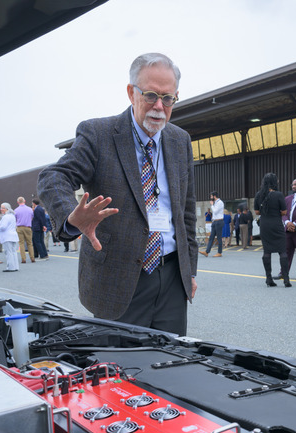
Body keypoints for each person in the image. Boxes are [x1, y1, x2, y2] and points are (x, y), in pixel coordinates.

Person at [38, 52, 198, 336]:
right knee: (119, 370)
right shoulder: (99, 134)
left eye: (168, 98)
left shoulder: (180, 140)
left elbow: (186, 213)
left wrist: (191, 270)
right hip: (118, 277)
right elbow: (54, 176)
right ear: (130, 92)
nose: (159, 107)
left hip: (172, 276)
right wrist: (72, 218)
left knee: (170, 365)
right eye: (150, 95)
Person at [254, 173, 290, 287]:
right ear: (274, 182)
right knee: (282, 251)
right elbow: (284, 212)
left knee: (267, 252)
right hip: (276, 224)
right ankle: (286, 279)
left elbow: (257, 212)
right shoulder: (279, 195)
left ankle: (269, 278)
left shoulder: (259, 195)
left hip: (265, 225)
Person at [277, 178, 296, 281]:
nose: (293, 186)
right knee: (286, 252)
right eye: (292, 185)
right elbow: (283, 213)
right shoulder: (287, 199)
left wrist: (294, 223)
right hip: (288, 230)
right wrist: (287, 223)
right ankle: (283, 272)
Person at [0, 202, 19, 272]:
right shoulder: (12, 216)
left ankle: (10, 267)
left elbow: (3, 227)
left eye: (2, 208)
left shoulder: (6, 217)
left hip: (7, 236)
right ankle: (15, 266)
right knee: (13, 252)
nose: (1, 209)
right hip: (13, 236)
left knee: (8, 252)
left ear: (6, 209)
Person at [200, 191, 224, 257]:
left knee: (219, 237)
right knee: (211, 237)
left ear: (214, 196)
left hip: (219, 221)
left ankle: (219, 252)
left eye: (211, 196)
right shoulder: (215, 203)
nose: (210, 198)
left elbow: (215, 211)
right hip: (214, 222)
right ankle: (207, 252)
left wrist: (211, 205)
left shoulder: (220, 203)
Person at [14, 196, 34, 263]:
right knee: (29, 243)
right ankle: (32, 258)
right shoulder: (29, 209)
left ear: (18, 202)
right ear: (24, 201)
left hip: (19, 227)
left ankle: (23, 258)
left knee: (21, 243)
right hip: (28, 227)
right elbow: (32, 217)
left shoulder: (16, 210)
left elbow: (15, 219)